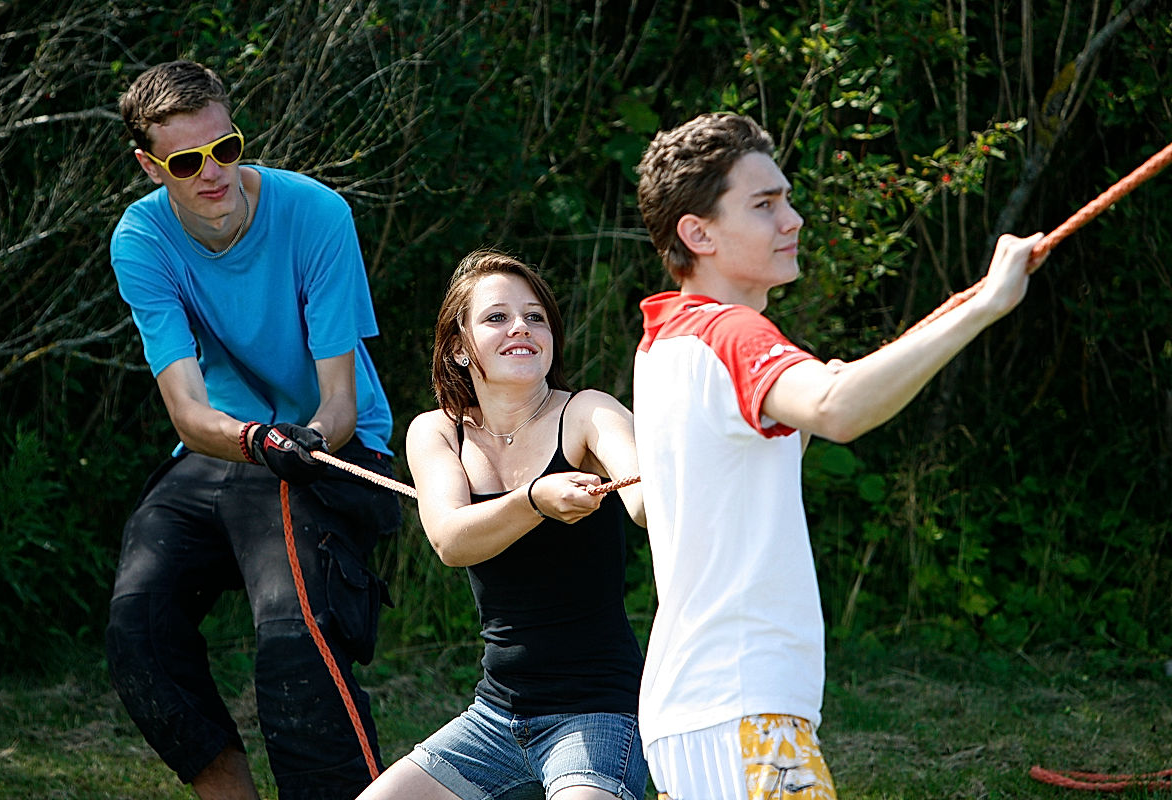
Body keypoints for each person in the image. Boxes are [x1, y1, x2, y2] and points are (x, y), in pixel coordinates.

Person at [629, 112, 1045, 800]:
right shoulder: (734, 333)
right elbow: (836, 406)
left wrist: (828, 392)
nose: (791, 219)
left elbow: (800, 415)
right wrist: (982, 308)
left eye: (786, 199)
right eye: (764, 205)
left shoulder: (667, 337)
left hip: (695, 712)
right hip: (743, 705)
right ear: (696, 233)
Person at [104, 60, 402, 800]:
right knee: (137, 629)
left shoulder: (318, 212)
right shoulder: (140, 240)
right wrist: (255, 442)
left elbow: (338, 400)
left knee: (294, 640)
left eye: (226, 148)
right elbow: (187, 412)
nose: (213, 173)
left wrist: (300, 444)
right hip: (224, 445)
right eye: (185, 161)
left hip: (330, 444)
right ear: (150, 167)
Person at [356, 250, 649, 800]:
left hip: (600, 712)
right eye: (496, 317)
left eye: (536, 316)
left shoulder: (587, 412)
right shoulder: (438, 432)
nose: (521, 327)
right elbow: (450, 540)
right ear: (460, 348)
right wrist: (534, 499)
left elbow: (644, 501)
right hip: (493, 717)